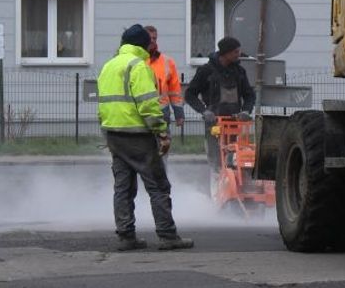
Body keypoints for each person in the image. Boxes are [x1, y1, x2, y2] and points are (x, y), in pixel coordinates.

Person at [97, 24, 193, 252]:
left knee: (123, 188)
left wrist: (106, 133)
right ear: (143, 44)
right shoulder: (138, 66)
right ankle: (168, 236)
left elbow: (102, 106)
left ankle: (126, 236)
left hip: (114, 135)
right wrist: (161, 131)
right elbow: (149, 104)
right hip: (138, 136)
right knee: (158, 186)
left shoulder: (108, 66)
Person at [185, 36, 256, 174]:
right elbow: (190, 94)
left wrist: (246, 110)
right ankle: (216, 188)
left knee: (234, 158)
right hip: (214, 124)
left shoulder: (239, 72)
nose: (238, 54)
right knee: (216, 159)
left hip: (235, 123)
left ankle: (233, 186)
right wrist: (204, 111)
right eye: (235, 52)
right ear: (226, 53)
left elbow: (249, 95)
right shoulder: (206, 71)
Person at [144, 25, 185, 132]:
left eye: (155, 38)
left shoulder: (167, 61)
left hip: (162, 114)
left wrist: (179, 113)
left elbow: (174, 90)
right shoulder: (136, 60)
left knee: (163, 145)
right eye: (149, 38)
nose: (152, 41)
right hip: (141, 115)